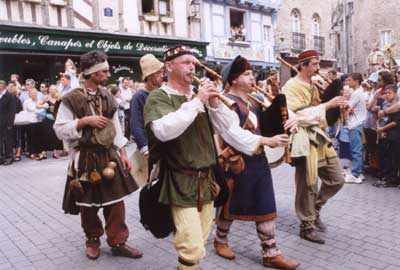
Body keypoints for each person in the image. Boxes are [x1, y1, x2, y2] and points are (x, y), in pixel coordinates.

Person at [213, 55, 299, 269]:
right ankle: (220, 239)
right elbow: (232, 135)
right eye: (247, 74)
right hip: (236, 161)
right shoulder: (224, 103)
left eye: (252, 74)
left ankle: (270, 252)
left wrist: (291, 119)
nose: (253, 78)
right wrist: (266, 140)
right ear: (233, 79)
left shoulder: (254, 101)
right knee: (229, 204)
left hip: (257, 160)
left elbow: (274, 118)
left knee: (265, 203)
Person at [54, 50, 142, 260]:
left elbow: (115, 128)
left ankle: (118, 241)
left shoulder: (107, 95)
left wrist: (123, 152)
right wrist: (84, 122)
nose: (108, 72)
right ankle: (92, 240)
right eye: (104, 70)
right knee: (88, 203)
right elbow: (59, 128)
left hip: (108, 155)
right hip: (84, 157)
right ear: (92, 73)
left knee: (116, 202)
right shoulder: (71, 99)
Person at [282, 50, 346, 244]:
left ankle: (315, 208)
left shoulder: (315, 84)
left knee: (337, 179)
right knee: (308, 184)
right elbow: (297, 116)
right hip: (303, 138)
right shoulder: (290, 87)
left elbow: (323, 110)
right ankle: (306, 225)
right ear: (303, 65)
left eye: (318, 64)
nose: (319, 68)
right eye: (315, 64)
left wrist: (338, 105)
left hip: (319, 136)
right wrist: (328, 106)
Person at [130, 54, 164, 156]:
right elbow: (136, 123)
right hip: (151, 145)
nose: (162, 75)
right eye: (158, 72)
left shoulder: (162, 93)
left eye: (162, 72)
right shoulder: (139, 96)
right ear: (149, 75)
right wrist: (144, 147)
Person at [344, 73, 367, 183]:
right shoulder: (357, 92)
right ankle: (358, 172)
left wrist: (345, 104)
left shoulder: (357, 93)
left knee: (356, 150)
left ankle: (356, 174)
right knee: (357, 149)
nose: (348, 83)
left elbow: (347, 107)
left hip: (355, 123)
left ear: (356, 81)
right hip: (356, 123)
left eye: (350, 80)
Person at [376, 84, 400, 187]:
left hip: (394, 134)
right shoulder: (385, 103)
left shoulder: (396, 105)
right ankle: (387, 177)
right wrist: (379, 129)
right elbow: (379, 118)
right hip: (386, 134)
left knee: (394, 158)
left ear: (396, 93)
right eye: (386, 93)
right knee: (387, 157)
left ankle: (393, 179)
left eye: (389, 93)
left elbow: (395, 122)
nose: (387, 95)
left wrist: (382, 128)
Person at [0, 80, 16, 165]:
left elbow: (12, 111)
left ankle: (9, 157)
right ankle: (1, 157)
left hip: (6, 122)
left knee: (7, 140)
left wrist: (10, 123)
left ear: (3, 86)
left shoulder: (9, 96)